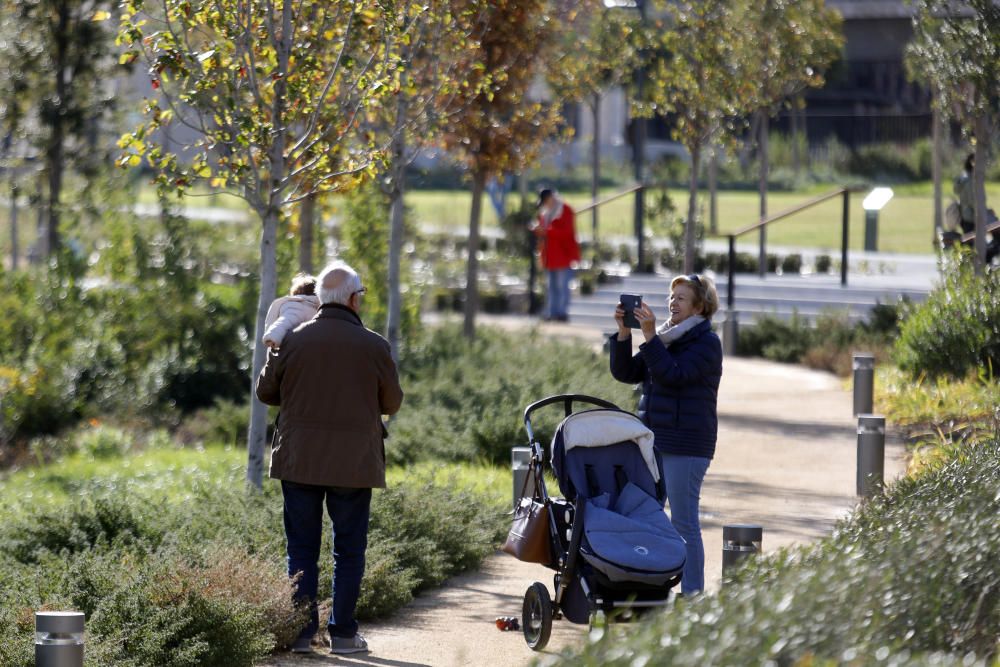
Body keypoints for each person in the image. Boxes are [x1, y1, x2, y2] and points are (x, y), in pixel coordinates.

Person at [256, 261, 404, 655]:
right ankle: (343, 635)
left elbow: (266, 393)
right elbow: (392, 402)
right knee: (349, 549)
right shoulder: (374, 346)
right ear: (354, 300)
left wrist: (277, 346)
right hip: (353, 464)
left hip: (299, 459)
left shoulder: (294, 340)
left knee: (301, 548)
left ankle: (302, 633)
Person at [608, 274, 722, 596]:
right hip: (654, 440)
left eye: (681, 298)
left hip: (686, 446)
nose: (673, 303)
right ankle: (654, 593)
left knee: (684, 523)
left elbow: (673, 376)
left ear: (699, 306)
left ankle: (693, 597)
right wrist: (624, 332)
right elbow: (626, 373)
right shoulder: (665, 337)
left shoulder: (706, 344)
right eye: (671, 297)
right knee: (649, 519)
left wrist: (649, 337)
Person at [532, 188, 580, 322]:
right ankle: (552, 312)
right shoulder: (545, 213)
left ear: (551, 198)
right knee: (551, 286)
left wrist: (546, 231)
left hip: (562, 254)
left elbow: (567, 232)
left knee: (562, 286)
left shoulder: (565, 210)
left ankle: (562, 313)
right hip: (549, 255)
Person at [262, 273, 321, 348]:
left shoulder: (316, 308)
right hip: (297, 348)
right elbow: (283, 323)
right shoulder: (297, 308)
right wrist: (272, 336)